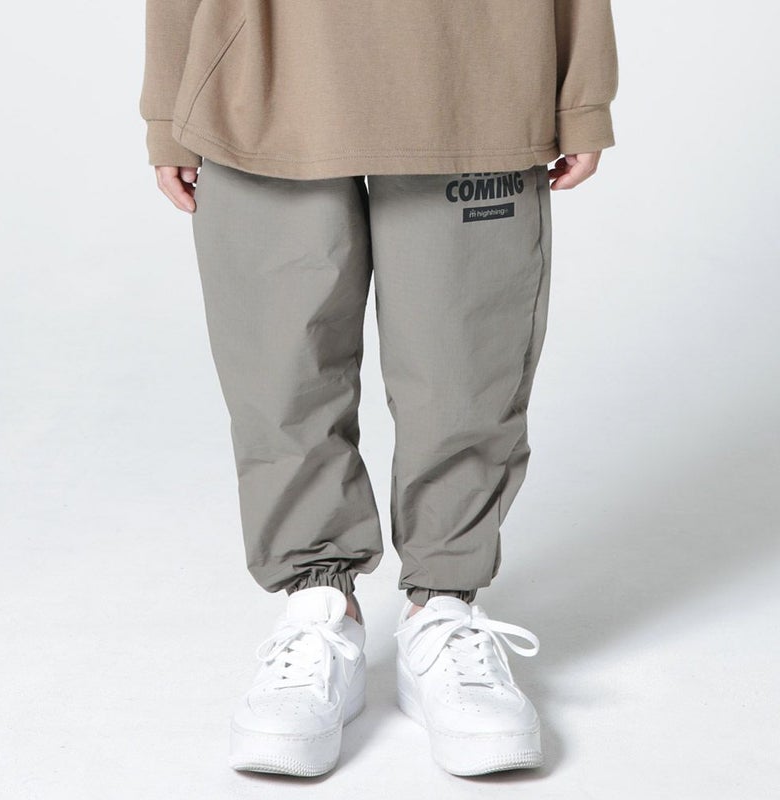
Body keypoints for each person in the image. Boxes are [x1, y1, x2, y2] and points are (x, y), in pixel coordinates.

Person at [139, 0, 618, 778]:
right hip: (259, 71)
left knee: (467, 365)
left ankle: (445, 609)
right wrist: (170, 104)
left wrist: (580, 89)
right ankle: (318, 609)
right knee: (280, 369)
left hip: (477, 64)